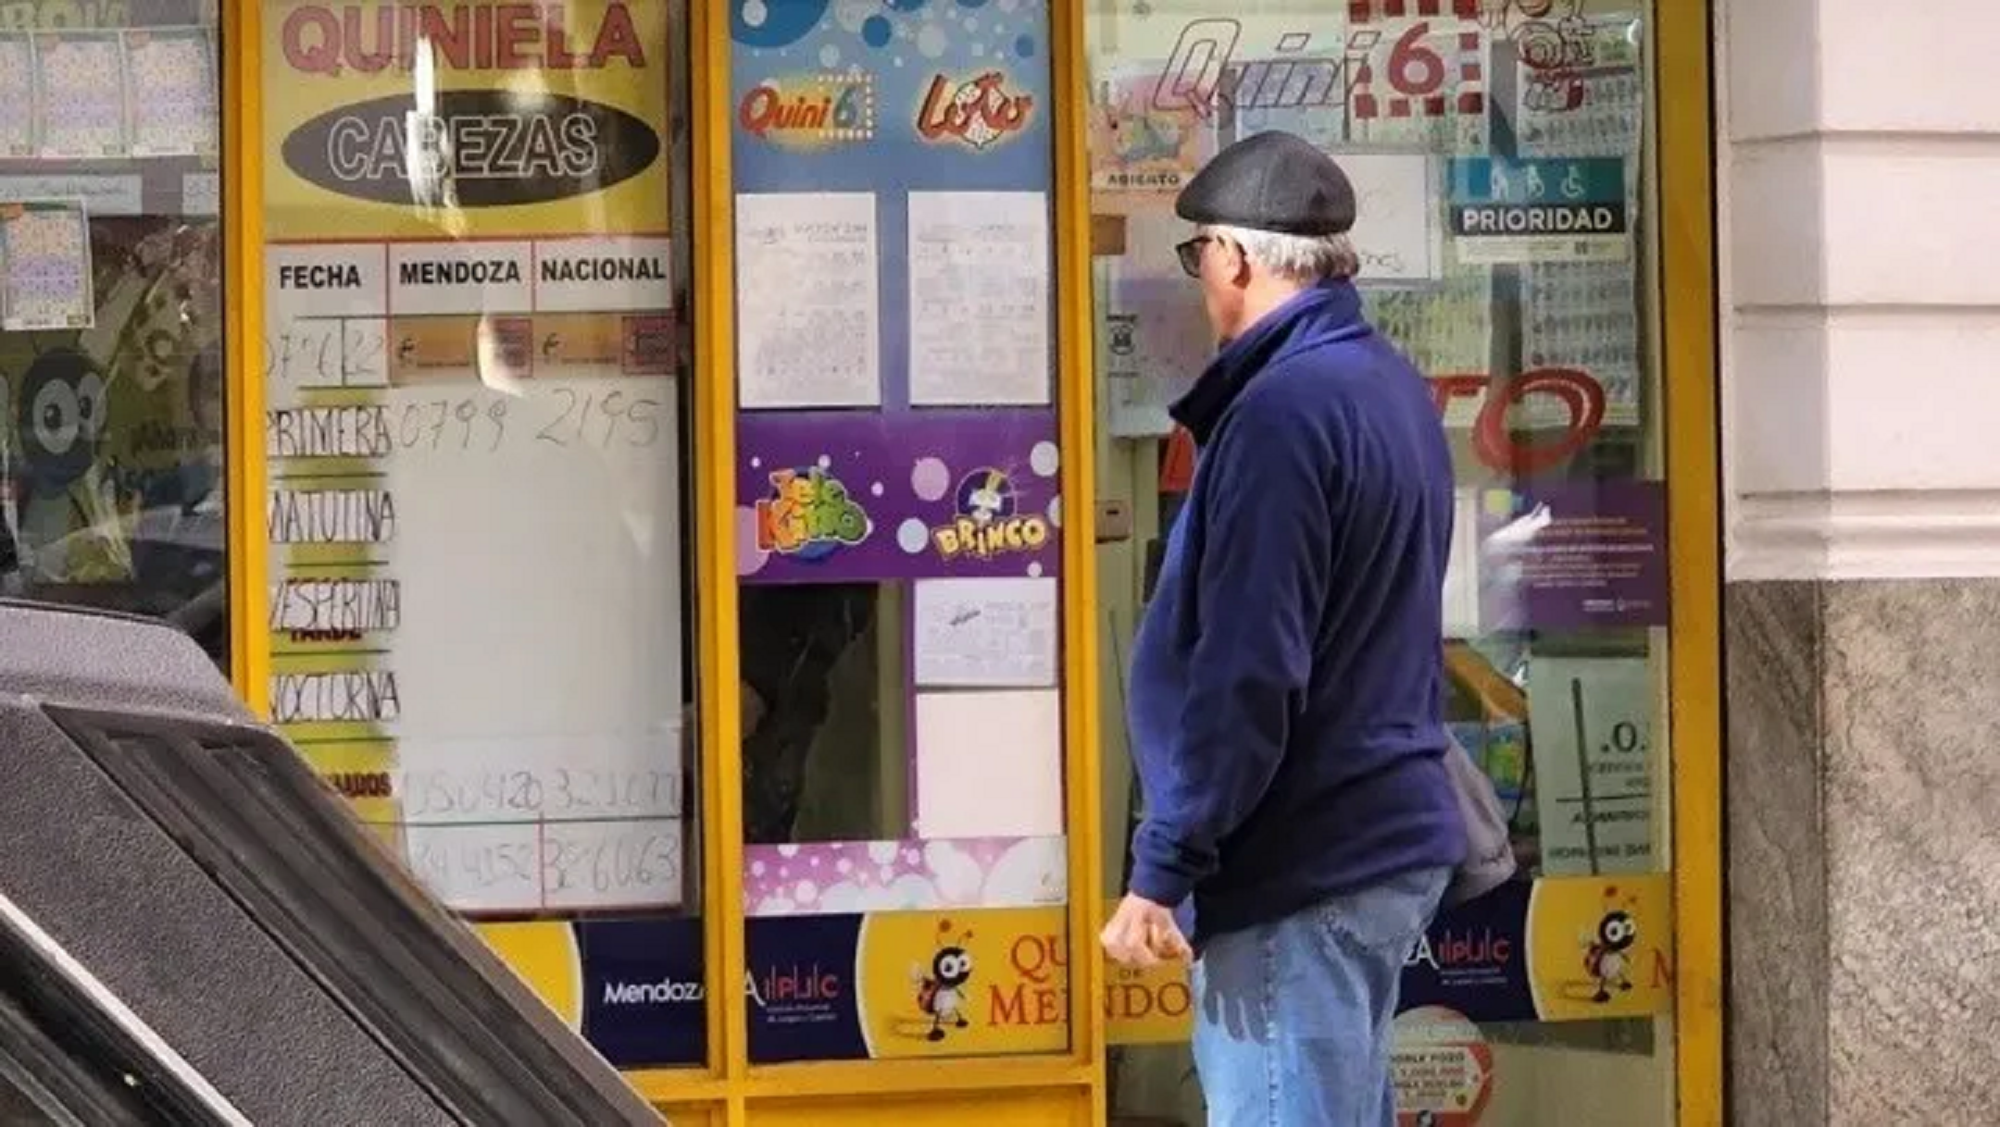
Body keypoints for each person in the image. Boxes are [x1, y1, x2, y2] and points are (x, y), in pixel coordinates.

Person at [1099, 130, 1467, 1126]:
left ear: (1234, 256)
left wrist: (1164, 862)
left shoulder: (1279, 413)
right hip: (1363, 842)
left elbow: (1248, 669)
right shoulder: (1384, 386)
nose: (1199, 282)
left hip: (1300, 860)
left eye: (1196, 258)